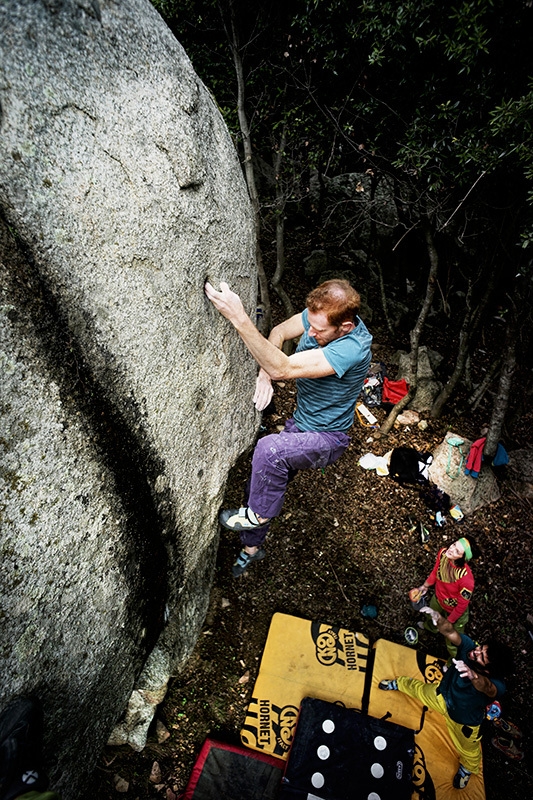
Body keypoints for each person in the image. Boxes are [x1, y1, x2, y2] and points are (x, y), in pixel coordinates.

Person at [204, 278, 372, 576]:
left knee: (268, 450)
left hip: (327, 439)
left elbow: (283, 368)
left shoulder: (352, 348)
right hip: (301, 425)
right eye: (311, 324)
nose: (310, 332)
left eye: (319, 331)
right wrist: (263, 376)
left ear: (344, 327)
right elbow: (280, 332)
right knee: (258, 483)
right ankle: (251, 549)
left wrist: (238, 317)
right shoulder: (321, 315)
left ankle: (258, 516)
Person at [379, 606, 511, 790]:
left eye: (481, 657)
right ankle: (398, 684)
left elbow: (487, 688)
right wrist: (438, 618)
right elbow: (450, 632)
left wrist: (473, 676)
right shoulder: (468, 648)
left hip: (464, 722)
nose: (475, 652)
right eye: (480, 648)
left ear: (488, 670)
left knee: (469, 751)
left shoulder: (497, 684)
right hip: (441, 697)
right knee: (418, 689)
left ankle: (467, 768)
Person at [411, 537, 477, 658]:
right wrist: (425, 586)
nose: (451, 549)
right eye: (453, 545)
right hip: (439, 598)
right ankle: (430, 628)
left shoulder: (466, 580)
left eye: (457, 551)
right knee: (430, 614)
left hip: (455, 611)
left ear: (462, 559)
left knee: (452, 639)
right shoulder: (443, 554)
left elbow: (462, 606)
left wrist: (448, 622)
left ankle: (454, 659)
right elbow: (436, 571)